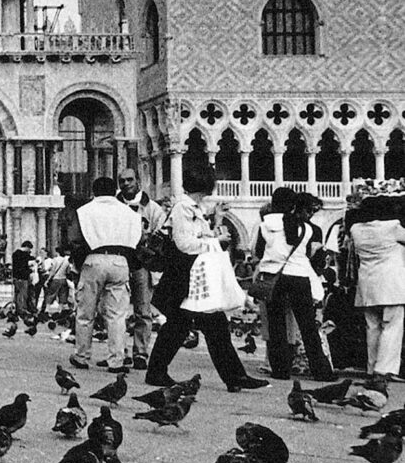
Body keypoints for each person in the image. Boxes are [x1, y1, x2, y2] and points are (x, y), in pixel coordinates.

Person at [145, 162, 267, 392]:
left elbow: (196, 237)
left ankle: (159, 371)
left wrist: (217, 222)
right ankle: (233, 377)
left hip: (190, 276)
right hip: (186, 276)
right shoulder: (184, 208)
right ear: (207, 184)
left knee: (192, 326)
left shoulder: (192, 207)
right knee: (200, 326)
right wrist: (215, 241)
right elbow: (185, 244)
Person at [254, 188, 335, 381]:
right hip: (299, 277)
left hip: (273, 277)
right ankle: (321, 371)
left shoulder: (265, 224)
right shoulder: (306, 228)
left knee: (276, 326)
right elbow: (308, 255)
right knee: (307, 326)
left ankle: (280, 370)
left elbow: (258, 250)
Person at [67, 176, 141, 371]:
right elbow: (137, 240)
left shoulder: (83, 211)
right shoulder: (129, 212)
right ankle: (116, 360)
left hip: (94, 258)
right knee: (117, 315)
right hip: (120, 260)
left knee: (85, 313)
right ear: (114, 190)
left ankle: (82, 356)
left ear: (94, 191)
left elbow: (74, 240)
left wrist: (79, 263)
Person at [348, 194, 405, 379]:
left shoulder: (355, 229)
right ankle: (385, 369)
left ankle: (371, 367)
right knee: (392, 327)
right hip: (391, 284)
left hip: (367, 284)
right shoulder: (392, 227)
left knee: (372, 327)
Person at [117, 169, 166, 370]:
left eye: (130, 180)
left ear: (138, 181)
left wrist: (146, 247)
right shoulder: (114, 206)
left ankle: (140, 353)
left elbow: (161, 236)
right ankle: (120, 352)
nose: (126, 184)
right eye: (122, 181)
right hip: (119, 260)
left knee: (142, 310)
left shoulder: (153, 209)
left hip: (141, 264)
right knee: (114, 310)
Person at [10, 240, 35, 316]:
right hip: (23, 277)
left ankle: (18, 309)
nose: (30, 251)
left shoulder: (15, 254)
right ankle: (22, 310)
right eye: (30, 249)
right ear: (27, 247)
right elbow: (25, 266)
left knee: (17, 294)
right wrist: (30, 270)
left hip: (16, 277)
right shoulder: (24, 255)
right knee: (23, 294)